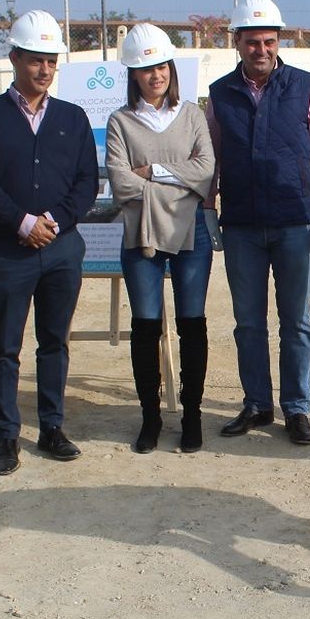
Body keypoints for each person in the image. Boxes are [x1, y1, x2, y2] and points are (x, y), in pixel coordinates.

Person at [0, 9, 99, 475]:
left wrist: (54, 222)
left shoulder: (73, 118)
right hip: (9, 251)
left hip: (61, 250)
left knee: (54, 342)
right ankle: (6, 436)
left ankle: (52, 427)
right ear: (15, 56)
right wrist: (22, 223)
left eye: (51, 61)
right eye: (36, 59)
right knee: (4, 345)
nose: (44, 69)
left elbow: (85, 183)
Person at [206, 0, 310, 446]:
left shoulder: (305, 87)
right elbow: (210, 157)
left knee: (296, 320)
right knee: (248, 321)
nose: (261, 50)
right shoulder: (220, 95)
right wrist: (209, 208)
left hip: (291, 223)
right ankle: (256, 403)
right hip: (242, 225)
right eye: (252, 42)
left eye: (269, 41)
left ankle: (296, 408)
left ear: (278, 40)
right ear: (238, 42)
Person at [106, 23, 217, 454]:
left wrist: (151, 172)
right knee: (145, 327)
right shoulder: (121, 122)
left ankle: (192, 416)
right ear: (134, 74)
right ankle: (150, 418)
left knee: (192, 325)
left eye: (161, 66)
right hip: (141, 237)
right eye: (146, 68)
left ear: (171, 67)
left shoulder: (192, 115)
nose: (156, 75)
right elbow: (119, 183)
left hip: (192, 234)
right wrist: (180, 179)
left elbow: (205, 170)